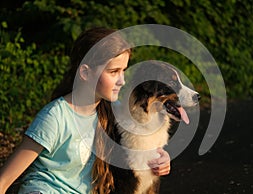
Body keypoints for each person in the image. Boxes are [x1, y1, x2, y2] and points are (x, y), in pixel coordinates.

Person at [0, 27, 171, 194]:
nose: (122, 81)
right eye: (113, 72)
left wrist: (162, 159)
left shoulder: (116, 111)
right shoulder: (55, 117)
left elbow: (143, 143)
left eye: (123, 71)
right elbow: (4, 181)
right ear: (85, 72)